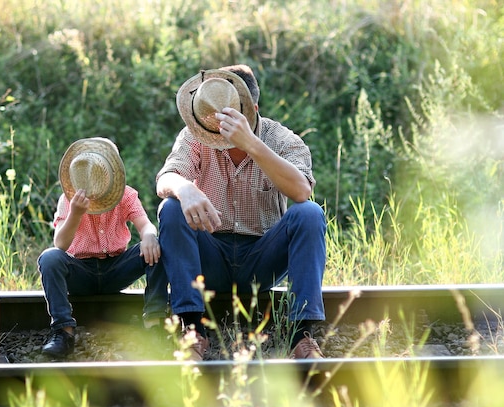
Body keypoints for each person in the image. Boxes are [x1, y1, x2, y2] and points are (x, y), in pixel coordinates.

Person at [155, 64, 326, 361]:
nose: (218, 125)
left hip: (262, 258)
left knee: (309, 213)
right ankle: (193, 331)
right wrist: (185, 189)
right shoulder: (195, 136)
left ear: (252, 109)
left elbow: (302, 191)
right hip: (210, 257)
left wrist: (251, 144)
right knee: (171, 207)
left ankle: (301, 335)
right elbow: (166, 177)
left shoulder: (282, 139)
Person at [38, 137, 168, 358]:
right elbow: (60, 244)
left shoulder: (125, 194)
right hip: (82, 271)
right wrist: (76, 214)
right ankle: (63, 331)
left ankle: (154, 324)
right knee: (49, 258)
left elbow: (145, 225)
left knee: (158, 247)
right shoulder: (69, 199)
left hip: (116, 269)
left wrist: (149, 236)